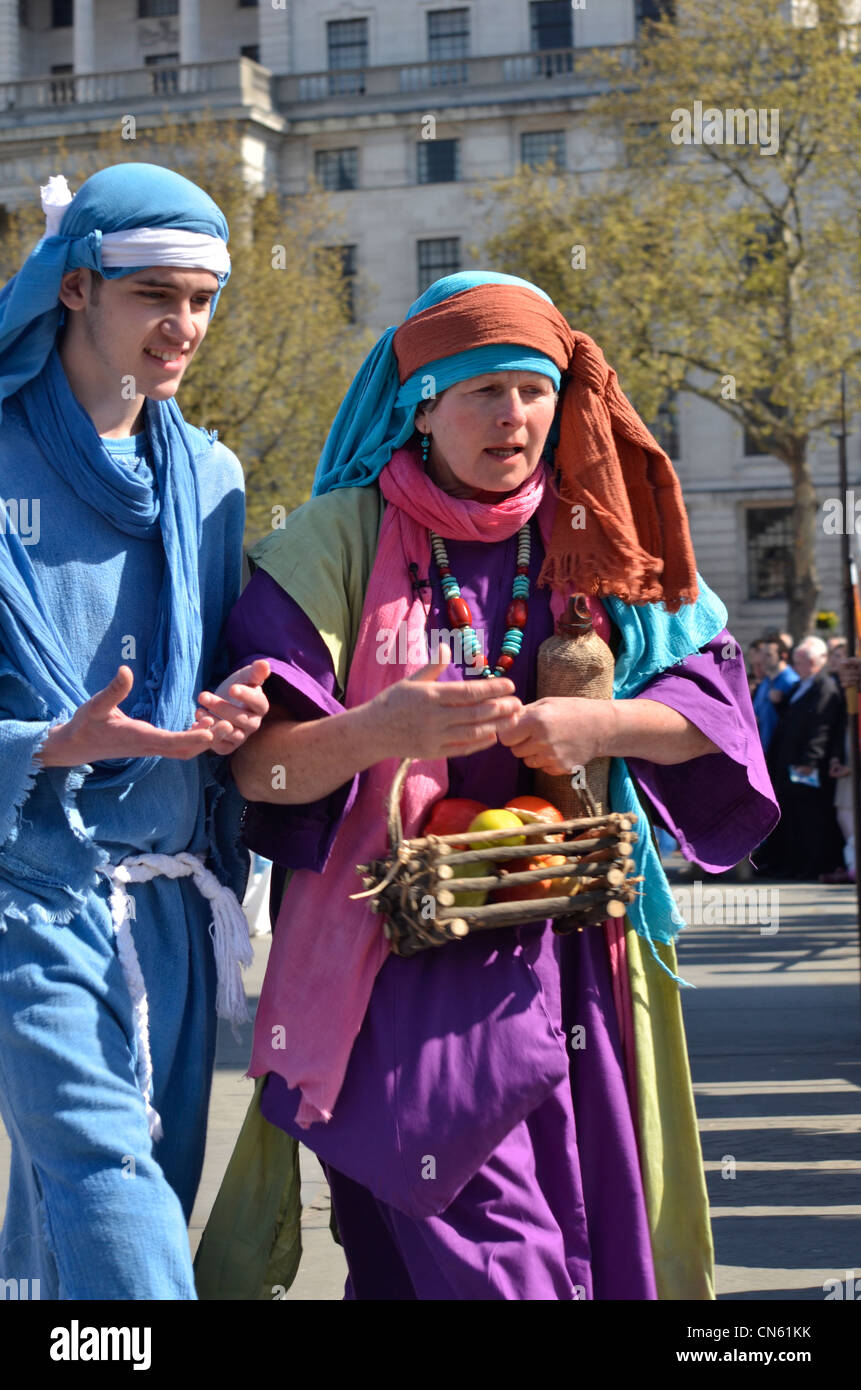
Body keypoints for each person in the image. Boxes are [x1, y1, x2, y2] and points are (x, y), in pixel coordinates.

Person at [196, 271, 778, 1302]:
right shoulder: (335, 539)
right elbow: (260, 766)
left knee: (578, 1236)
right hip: (390, 963)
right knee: (489, 1257)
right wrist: (379, 728)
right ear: (424, 404)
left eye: (533, 389)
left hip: (571, 955)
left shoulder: (603, 535)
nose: (514, 416)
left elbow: (717, 722)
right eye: (483, 391)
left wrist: (598, 723)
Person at [0, 164, 270, 1299]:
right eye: (156, 293)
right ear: (75, 287)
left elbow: (214, 678)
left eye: (204, 298)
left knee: (120, 1188)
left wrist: (231, 716)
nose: (185, 325)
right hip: (29, 880)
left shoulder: (210, 475)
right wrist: (46, 741)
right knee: (108, 1179)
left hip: (175, 889)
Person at [755, 636, 845, 880]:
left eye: (801, 661)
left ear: (815, 662)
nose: (797, 666)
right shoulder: (801, 685)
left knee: (809, 818)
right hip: (787, 760)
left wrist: (810, 760)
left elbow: (821, 726)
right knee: (793, 815)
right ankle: (791, 862)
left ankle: (811, 864)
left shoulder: (824, 687)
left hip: (804, 765)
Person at [752, 631, 800, 753]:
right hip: (764, 750)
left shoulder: (792, 681)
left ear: (783, 656)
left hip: (782, 751)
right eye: (763, 655)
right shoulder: (765, 682)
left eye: (769, 655)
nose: (764, 660)